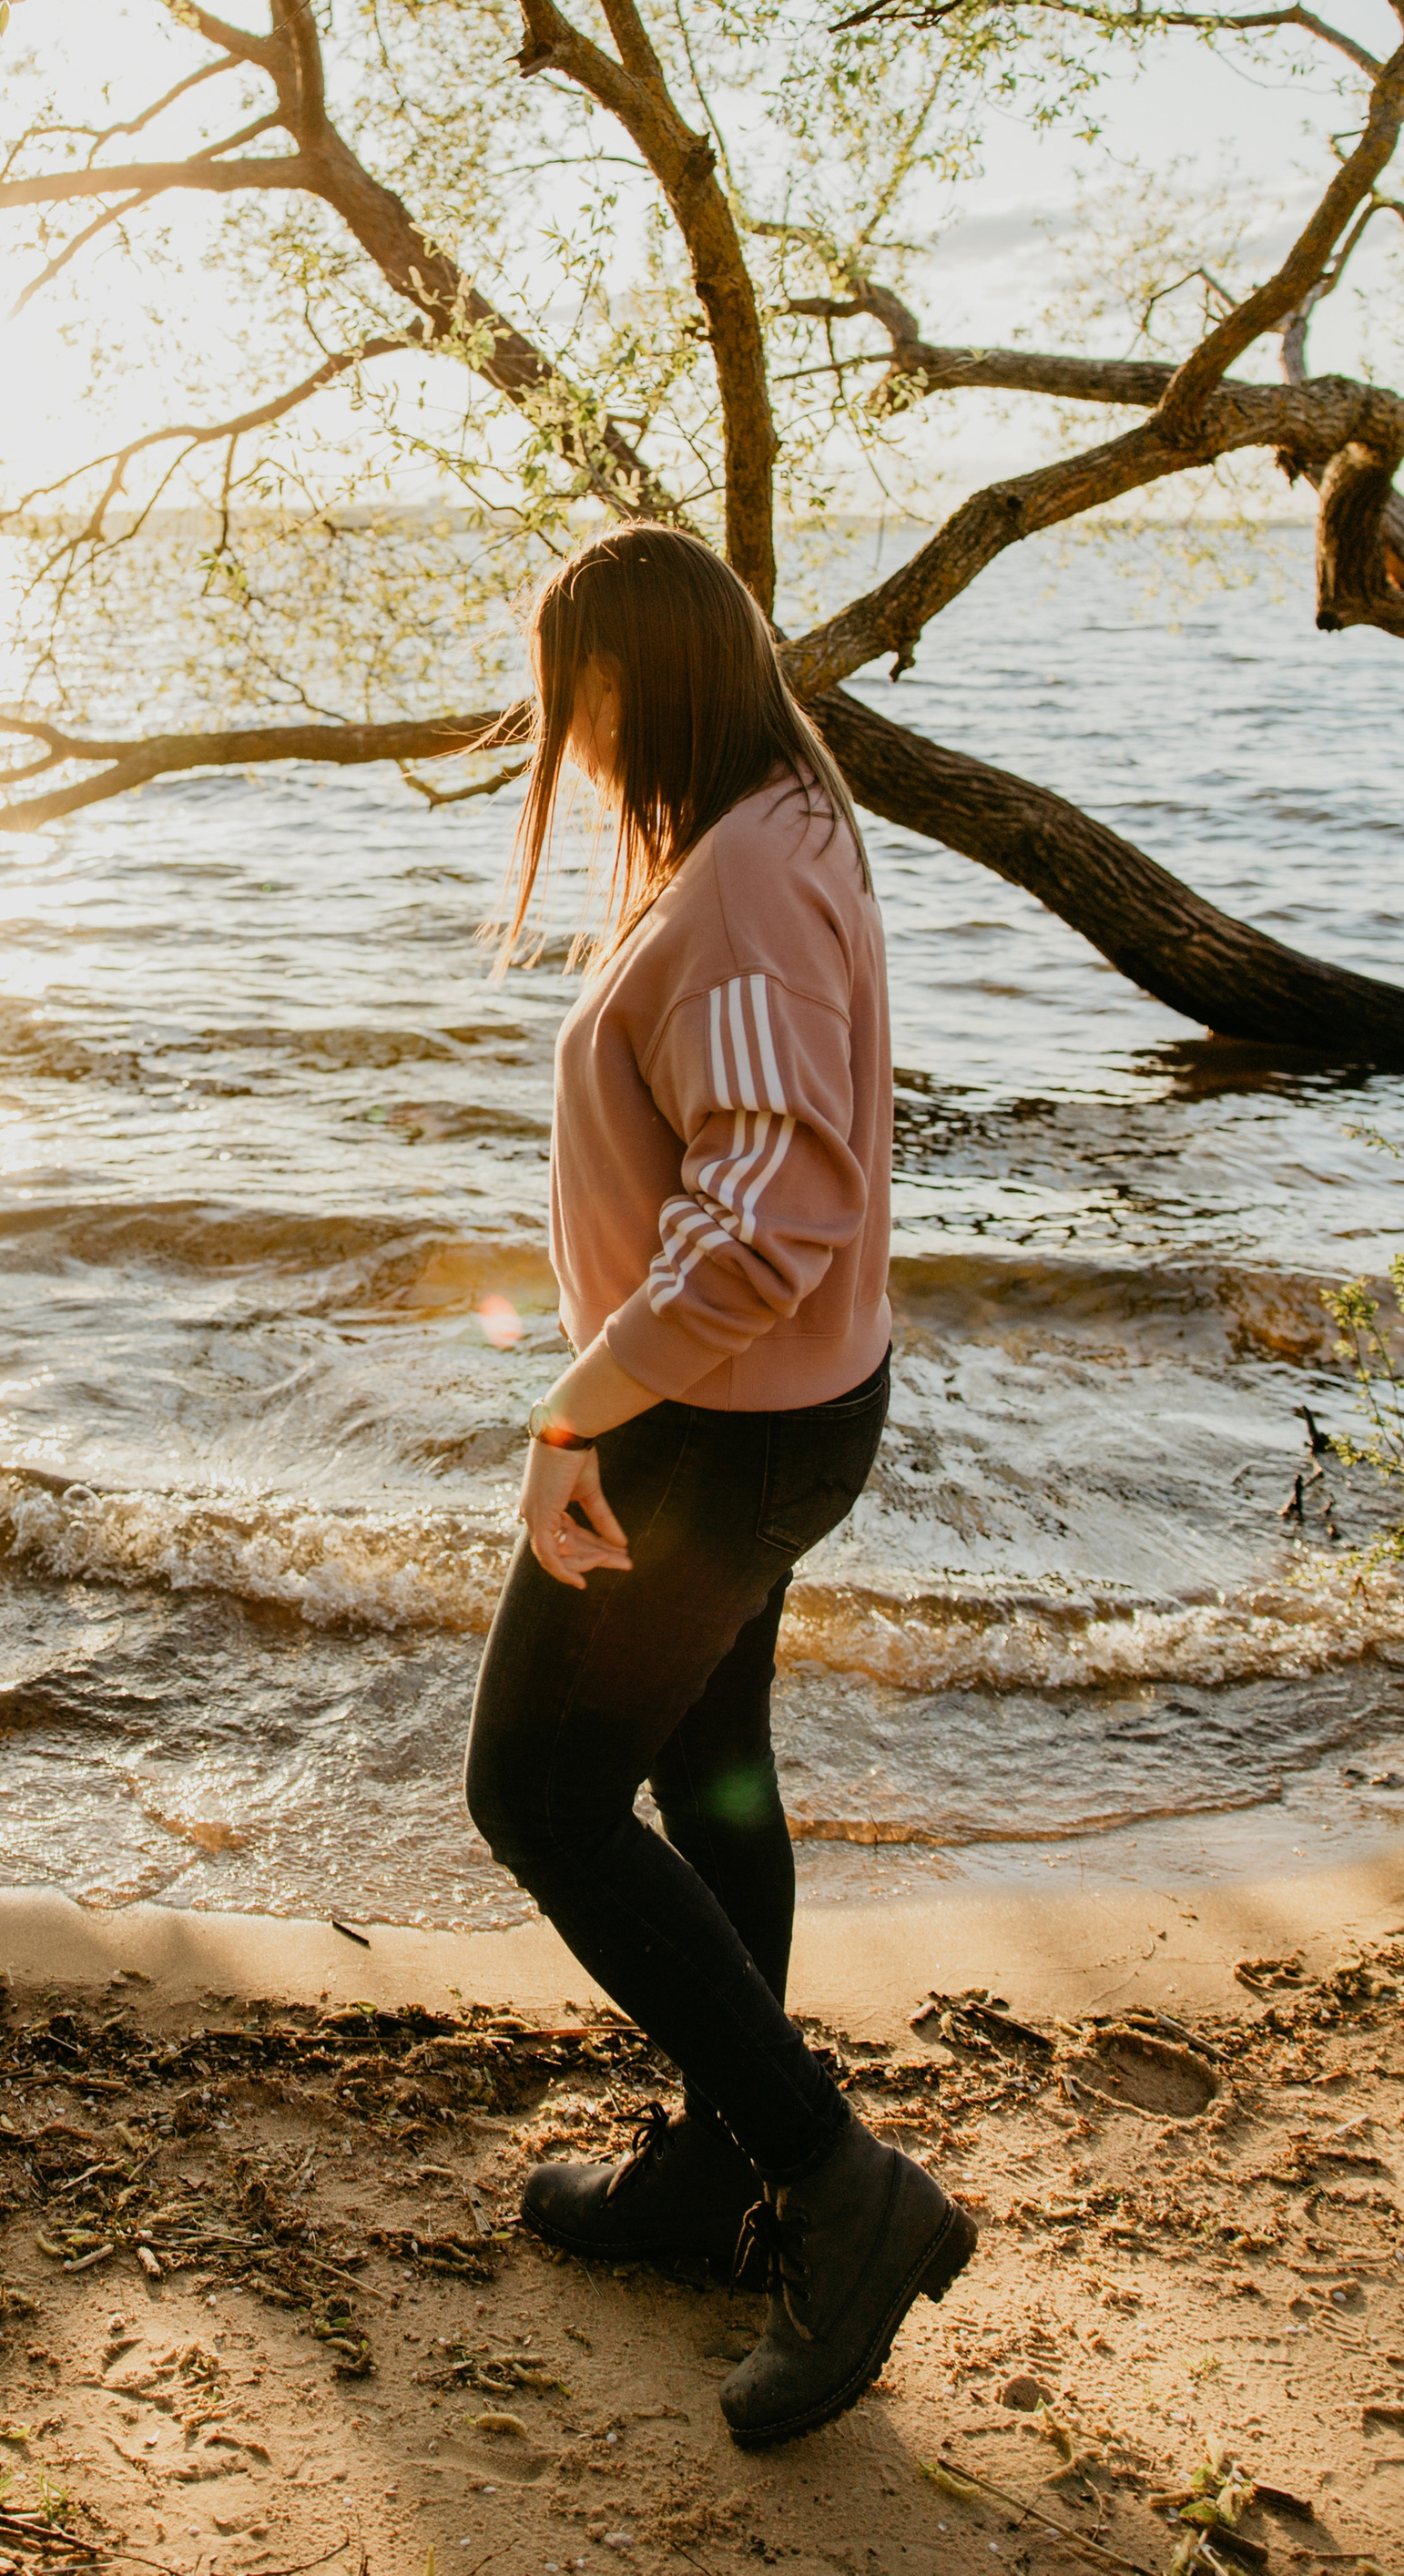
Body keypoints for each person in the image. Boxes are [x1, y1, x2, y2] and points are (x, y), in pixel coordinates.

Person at [463, 524, 973, 2448]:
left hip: (713, 1431)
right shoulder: (774, 825)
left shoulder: (744, 885)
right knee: (705, 1768)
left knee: (533, 1789)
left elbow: (759, 1224)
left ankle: (834, 2189)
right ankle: (711, 2183)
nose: (558, 737)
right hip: (770, 1413)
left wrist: (572, 1410)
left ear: (635, 677)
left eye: (568, 695)